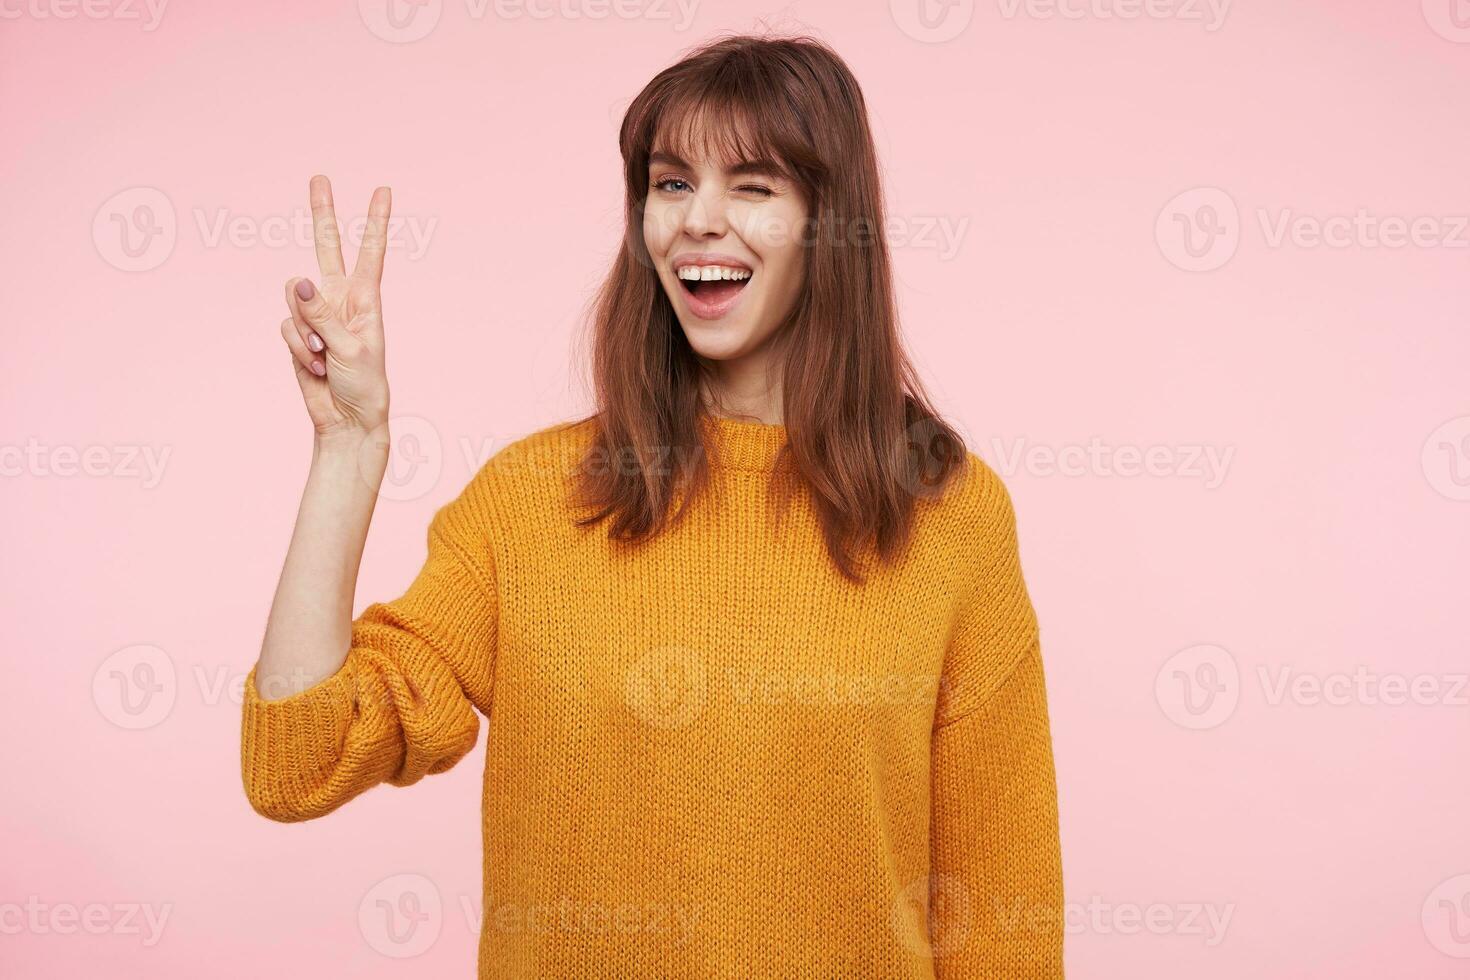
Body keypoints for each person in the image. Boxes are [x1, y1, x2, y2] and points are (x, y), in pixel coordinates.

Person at [242, 32, 1064, 978]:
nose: (698, 220)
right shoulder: (529, 504)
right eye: (671, 184)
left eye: (753, 185)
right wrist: (349, 452)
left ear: (829, 223)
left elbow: (1003, 922)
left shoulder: (948, 516)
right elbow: (296, 763)